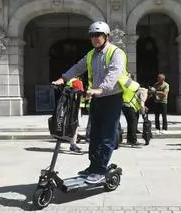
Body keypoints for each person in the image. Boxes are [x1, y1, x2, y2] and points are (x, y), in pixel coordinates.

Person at [52, 21, 134, 184]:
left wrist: (100, 89)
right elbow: (78, 67)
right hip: (96, 99)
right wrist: (63, 78)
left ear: (107, 37)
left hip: (111, 98)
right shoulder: (91, 54)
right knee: (94, 134)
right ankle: (93, 165)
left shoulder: (116, 53)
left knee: (107, 134)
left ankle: (101, 168)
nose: (95, 38)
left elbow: (114, 74)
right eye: (92, 36)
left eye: (98, 35)